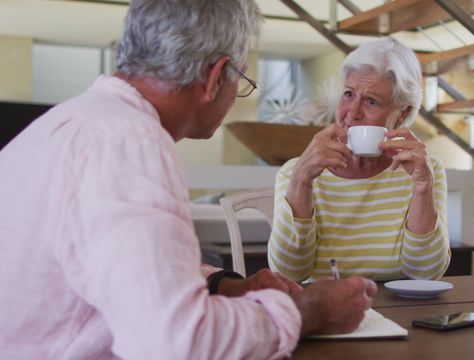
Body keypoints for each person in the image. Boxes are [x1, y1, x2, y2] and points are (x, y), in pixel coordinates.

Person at [0, 1, 376, 359]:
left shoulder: (70, 122)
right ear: (216, 77)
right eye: (241, 79)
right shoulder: (132, 145)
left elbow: (117, 262)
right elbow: (177, 342)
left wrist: (221, 284)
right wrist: (305, 311)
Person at [268, 38, 450, 282]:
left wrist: (423, 187)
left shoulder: (425, 171)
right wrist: (301, 180)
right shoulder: (296, 171)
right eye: (348, 94)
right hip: (323, 312)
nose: (352, 112)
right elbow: (287, 273)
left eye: (371, 101)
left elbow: (426, 272)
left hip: (397, 314)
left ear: (402, 114)